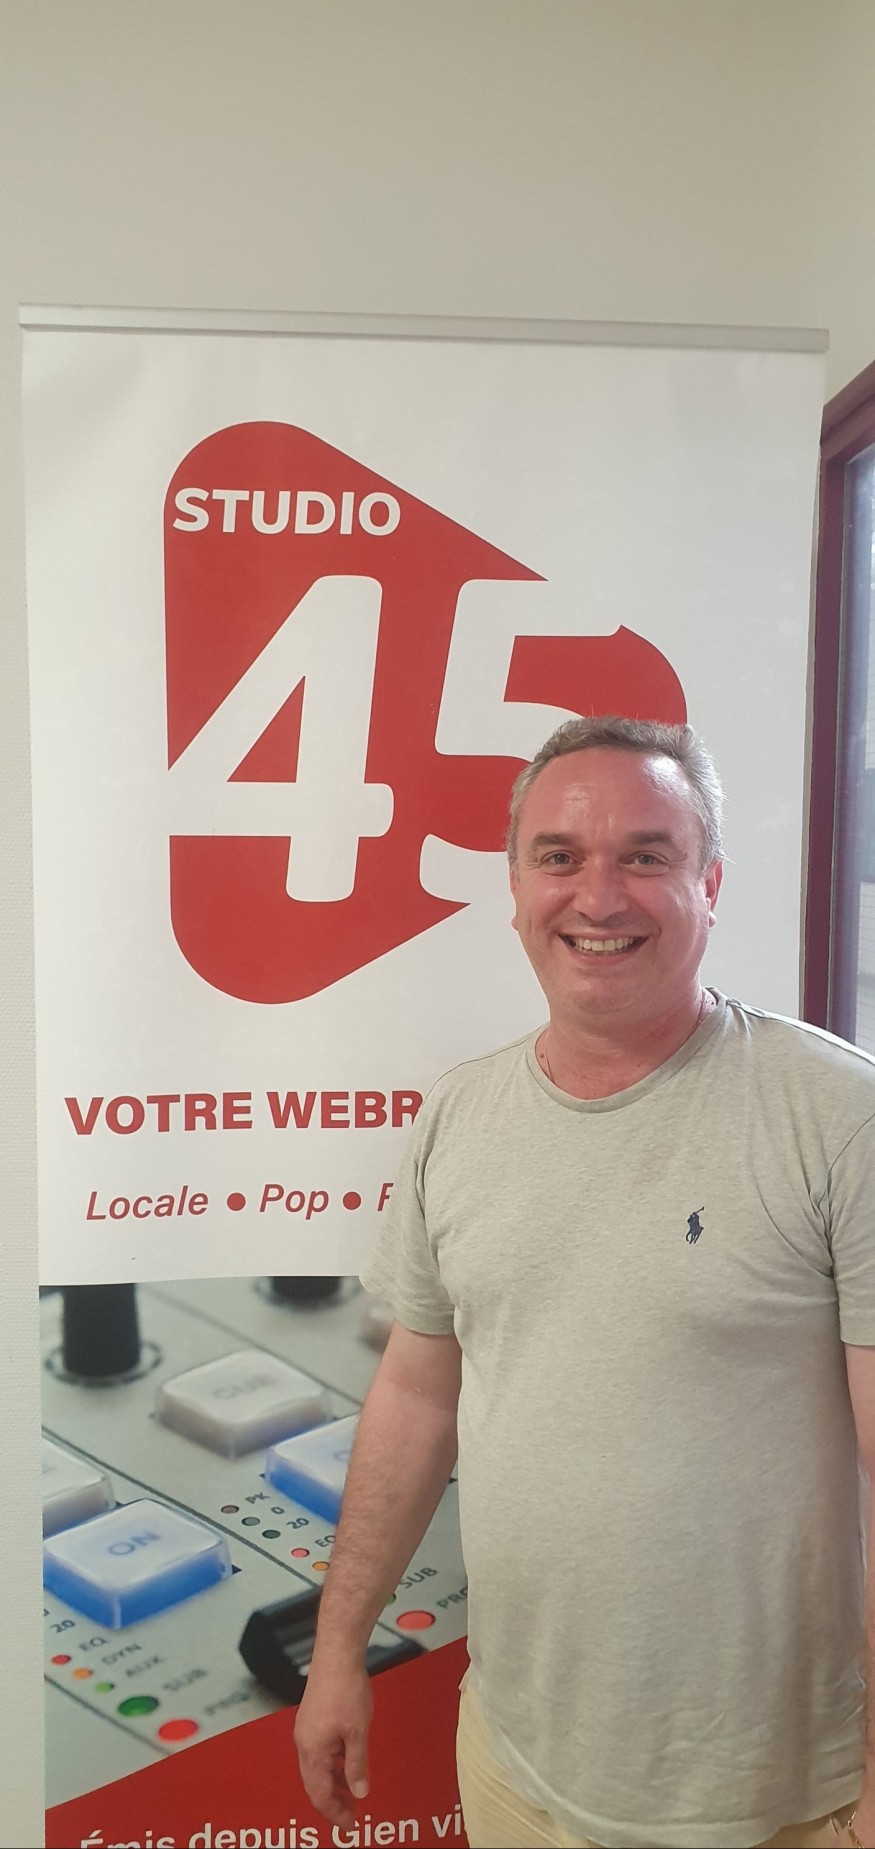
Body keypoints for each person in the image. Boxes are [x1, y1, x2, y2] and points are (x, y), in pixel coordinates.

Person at [294, 715, 875, 1849]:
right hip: (517, 1764)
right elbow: (413, 1397)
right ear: (516, 888)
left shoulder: (835, 1116)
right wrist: (335, 1648)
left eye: (645, 856)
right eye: (558, 856)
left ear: (709, 885)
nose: (597, 897)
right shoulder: (458, 1114)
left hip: (782, 1798)